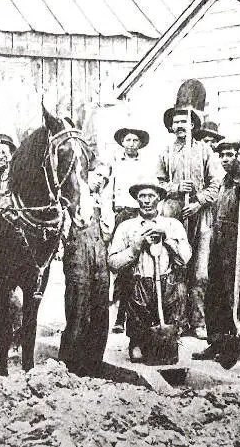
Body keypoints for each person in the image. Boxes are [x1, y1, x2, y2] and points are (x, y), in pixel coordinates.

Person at [156, 83, 223, 340]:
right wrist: (174, 187)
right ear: (171, 126)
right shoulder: (165, 153)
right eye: (176, 121)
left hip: (201, 217)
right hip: (174, 216)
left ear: (193, 125)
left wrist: (199, 201)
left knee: (200, 271)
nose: (180, 125)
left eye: (184, 121)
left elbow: (216, 184)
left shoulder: (206, 152)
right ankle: (177, 320)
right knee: (174, 266)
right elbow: (156, 185)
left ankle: (198, 322)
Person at [108, 181, 191, 363]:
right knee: (139, 352)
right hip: (138, 286)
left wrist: (168, 239)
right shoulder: (126, 227)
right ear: (137, 200)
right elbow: (113, 262)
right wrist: (135, 249)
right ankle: (137, 340)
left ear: (159, 199)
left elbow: (185, 258)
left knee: (168, 356)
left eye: (151, 196)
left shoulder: (172, 224)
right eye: (142, 196)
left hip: (166, 284)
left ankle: (168, 339)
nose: (146, 201)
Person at [194, 139, 240, 368]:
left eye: (230, 155)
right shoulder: (224, 182)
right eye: (223, 156)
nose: (226, 159)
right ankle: (216, 341)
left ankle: (237, 341)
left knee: (236, 291)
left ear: (239, 156)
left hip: (238, 243)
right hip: (219, 240)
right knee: (214, 292)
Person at [59, 164, 112, 376]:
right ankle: (70, 365)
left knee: (100, 308)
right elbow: (63, 229)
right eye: (98, 175)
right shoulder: (73, 200)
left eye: (105, 179)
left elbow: (107, 231)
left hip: (100, 256)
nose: (101, 180)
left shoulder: (104, 202)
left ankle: (94, 364)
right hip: (77, 256)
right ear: (87, 174)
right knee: (77, 307)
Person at [108, 126, 152, 334]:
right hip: (122, 214)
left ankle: (139, 319)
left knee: (140, 266)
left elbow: (150, 191)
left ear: (140, 144)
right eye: (128, 140)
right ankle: (119, 317)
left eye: (135, 140)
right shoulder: (115, 164)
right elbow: (109, 192)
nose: (131, 143)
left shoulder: (146, 164)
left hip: (139, 213)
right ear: (122, 143)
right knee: (123, 265)